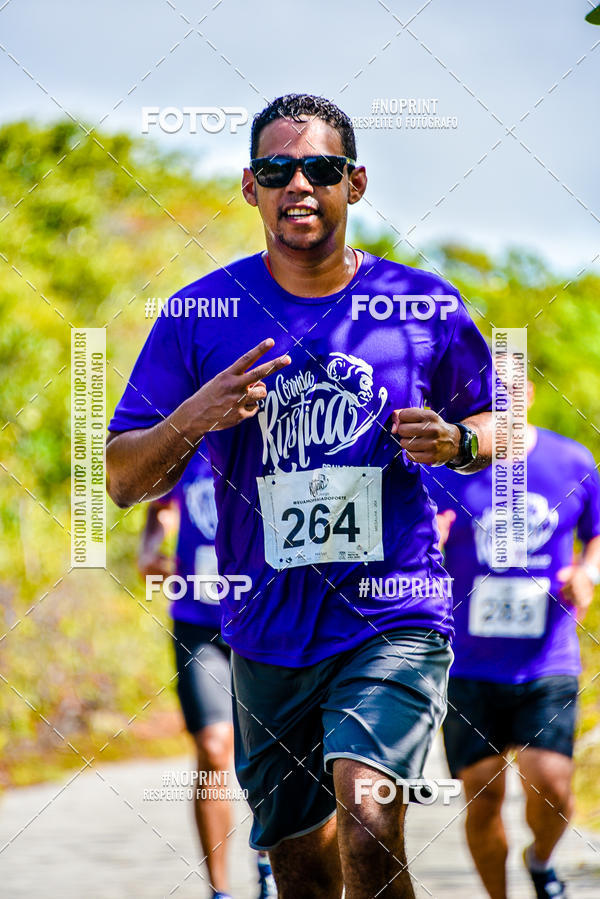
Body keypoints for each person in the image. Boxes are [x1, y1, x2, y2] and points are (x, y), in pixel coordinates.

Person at [106, 93, 495, 899]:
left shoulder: (422, 306)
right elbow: (120, 478)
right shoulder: (199, 314)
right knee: (303, 867)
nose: (299, 185)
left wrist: (460, 443)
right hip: (267, 629)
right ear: (251, 187)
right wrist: (195, 415)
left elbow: (502, 426)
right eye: (278, 169)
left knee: (369, 808)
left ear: (354, 184)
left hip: (394, 610)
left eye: (320, 168)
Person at [425, 380, 600, 899]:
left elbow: (596, 533)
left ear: (526, 392)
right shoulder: (445, 467)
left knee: (552, 786)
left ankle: (541, 860)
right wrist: (426, 544)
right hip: (467, 663)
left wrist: (588, 572)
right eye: (485, 386)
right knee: (482, 797)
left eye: (507, 385)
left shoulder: (570, 460)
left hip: (546, 658)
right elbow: (414, 536)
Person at [138, 449, 277, 899]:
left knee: (272, 752)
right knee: (215, 748)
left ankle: (272, 864)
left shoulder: (274, 436)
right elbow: (158, 505)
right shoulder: (184, 439)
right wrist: (148, 549)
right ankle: (219, 890)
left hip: (267, 622)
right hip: (199, 623)